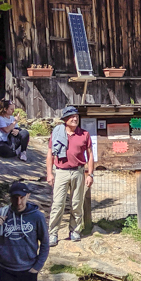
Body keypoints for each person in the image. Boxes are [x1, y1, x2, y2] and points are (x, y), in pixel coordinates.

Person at [46, 105, 94, 246]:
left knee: (77, 203)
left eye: (76, 117)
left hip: (79, 172)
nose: (75, 119)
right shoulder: (56, 134)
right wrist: (49, 173)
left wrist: (90, 174)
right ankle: (52, 233)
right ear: (65, 119)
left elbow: (90, 155)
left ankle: (75, 231)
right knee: (58, 204)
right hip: (61, 172)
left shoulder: (84, 134)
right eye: (71, 117)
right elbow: (50, 154)